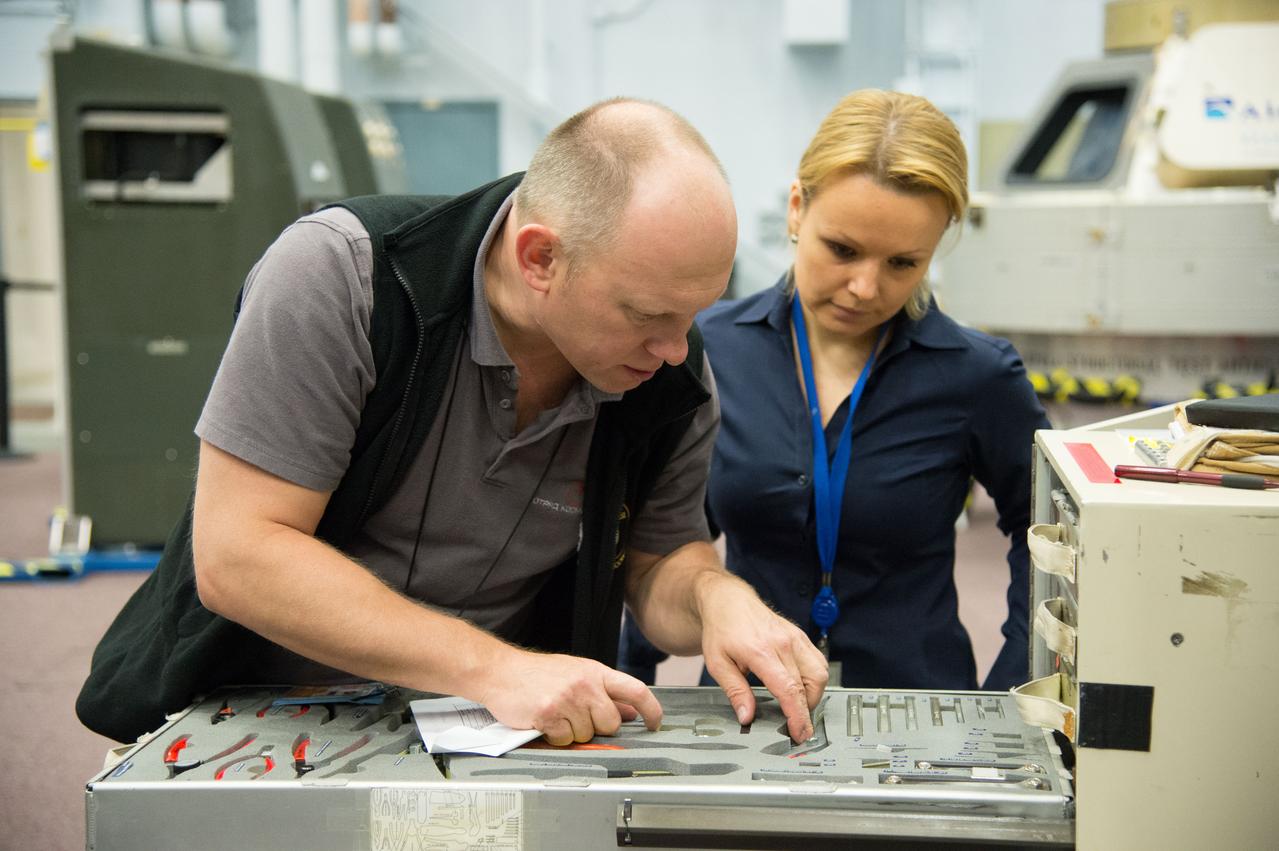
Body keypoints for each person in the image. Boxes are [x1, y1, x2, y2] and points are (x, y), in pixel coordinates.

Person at [76, 98, 827, 745]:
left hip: (495, 731)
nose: (672, 351)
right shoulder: (347, 278)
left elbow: (660, 560)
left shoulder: (671, 378)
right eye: (646, 316)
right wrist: (493, 667)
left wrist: (715, 598)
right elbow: (239, 556)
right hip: (259, 705)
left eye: (693, 314)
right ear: (539, 259)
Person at [621, 89, 1049, 692]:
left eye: (902, 263)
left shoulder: (977, 376)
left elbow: (1049, 532)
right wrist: (627, 675)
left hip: (917, 709)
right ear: (797, 209)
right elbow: (662, 531)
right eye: (842, 250)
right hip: (748, 704)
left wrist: (1015, 686)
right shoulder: (707, 352)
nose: (864, 287)